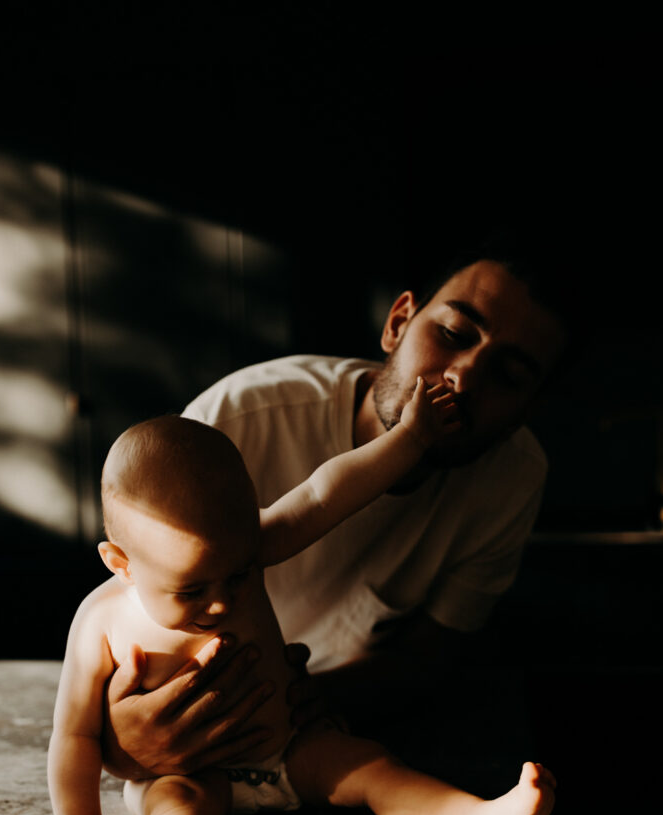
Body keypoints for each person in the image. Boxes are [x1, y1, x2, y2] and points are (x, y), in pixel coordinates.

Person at [49, 398, 555, 815]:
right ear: (120, 564)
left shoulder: (251, 545)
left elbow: (326, 493)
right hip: (186, 774)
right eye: (193, 590)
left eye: (239, 575)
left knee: (374, 771)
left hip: (290, 748)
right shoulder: (99, 621)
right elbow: (73, 734)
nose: (221, 603)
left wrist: (411, 438)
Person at [102, 256, 569, 779]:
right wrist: (124, 737)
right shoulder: (234, 423)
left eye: (507, 375)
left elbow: (430, 658)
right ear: (398, 324)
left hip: (333, 732)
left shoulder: (514, 476)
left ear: (528, 408)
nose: (461, 378)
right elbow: (125, 612)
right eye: (454, 334)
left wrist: (298, 703)